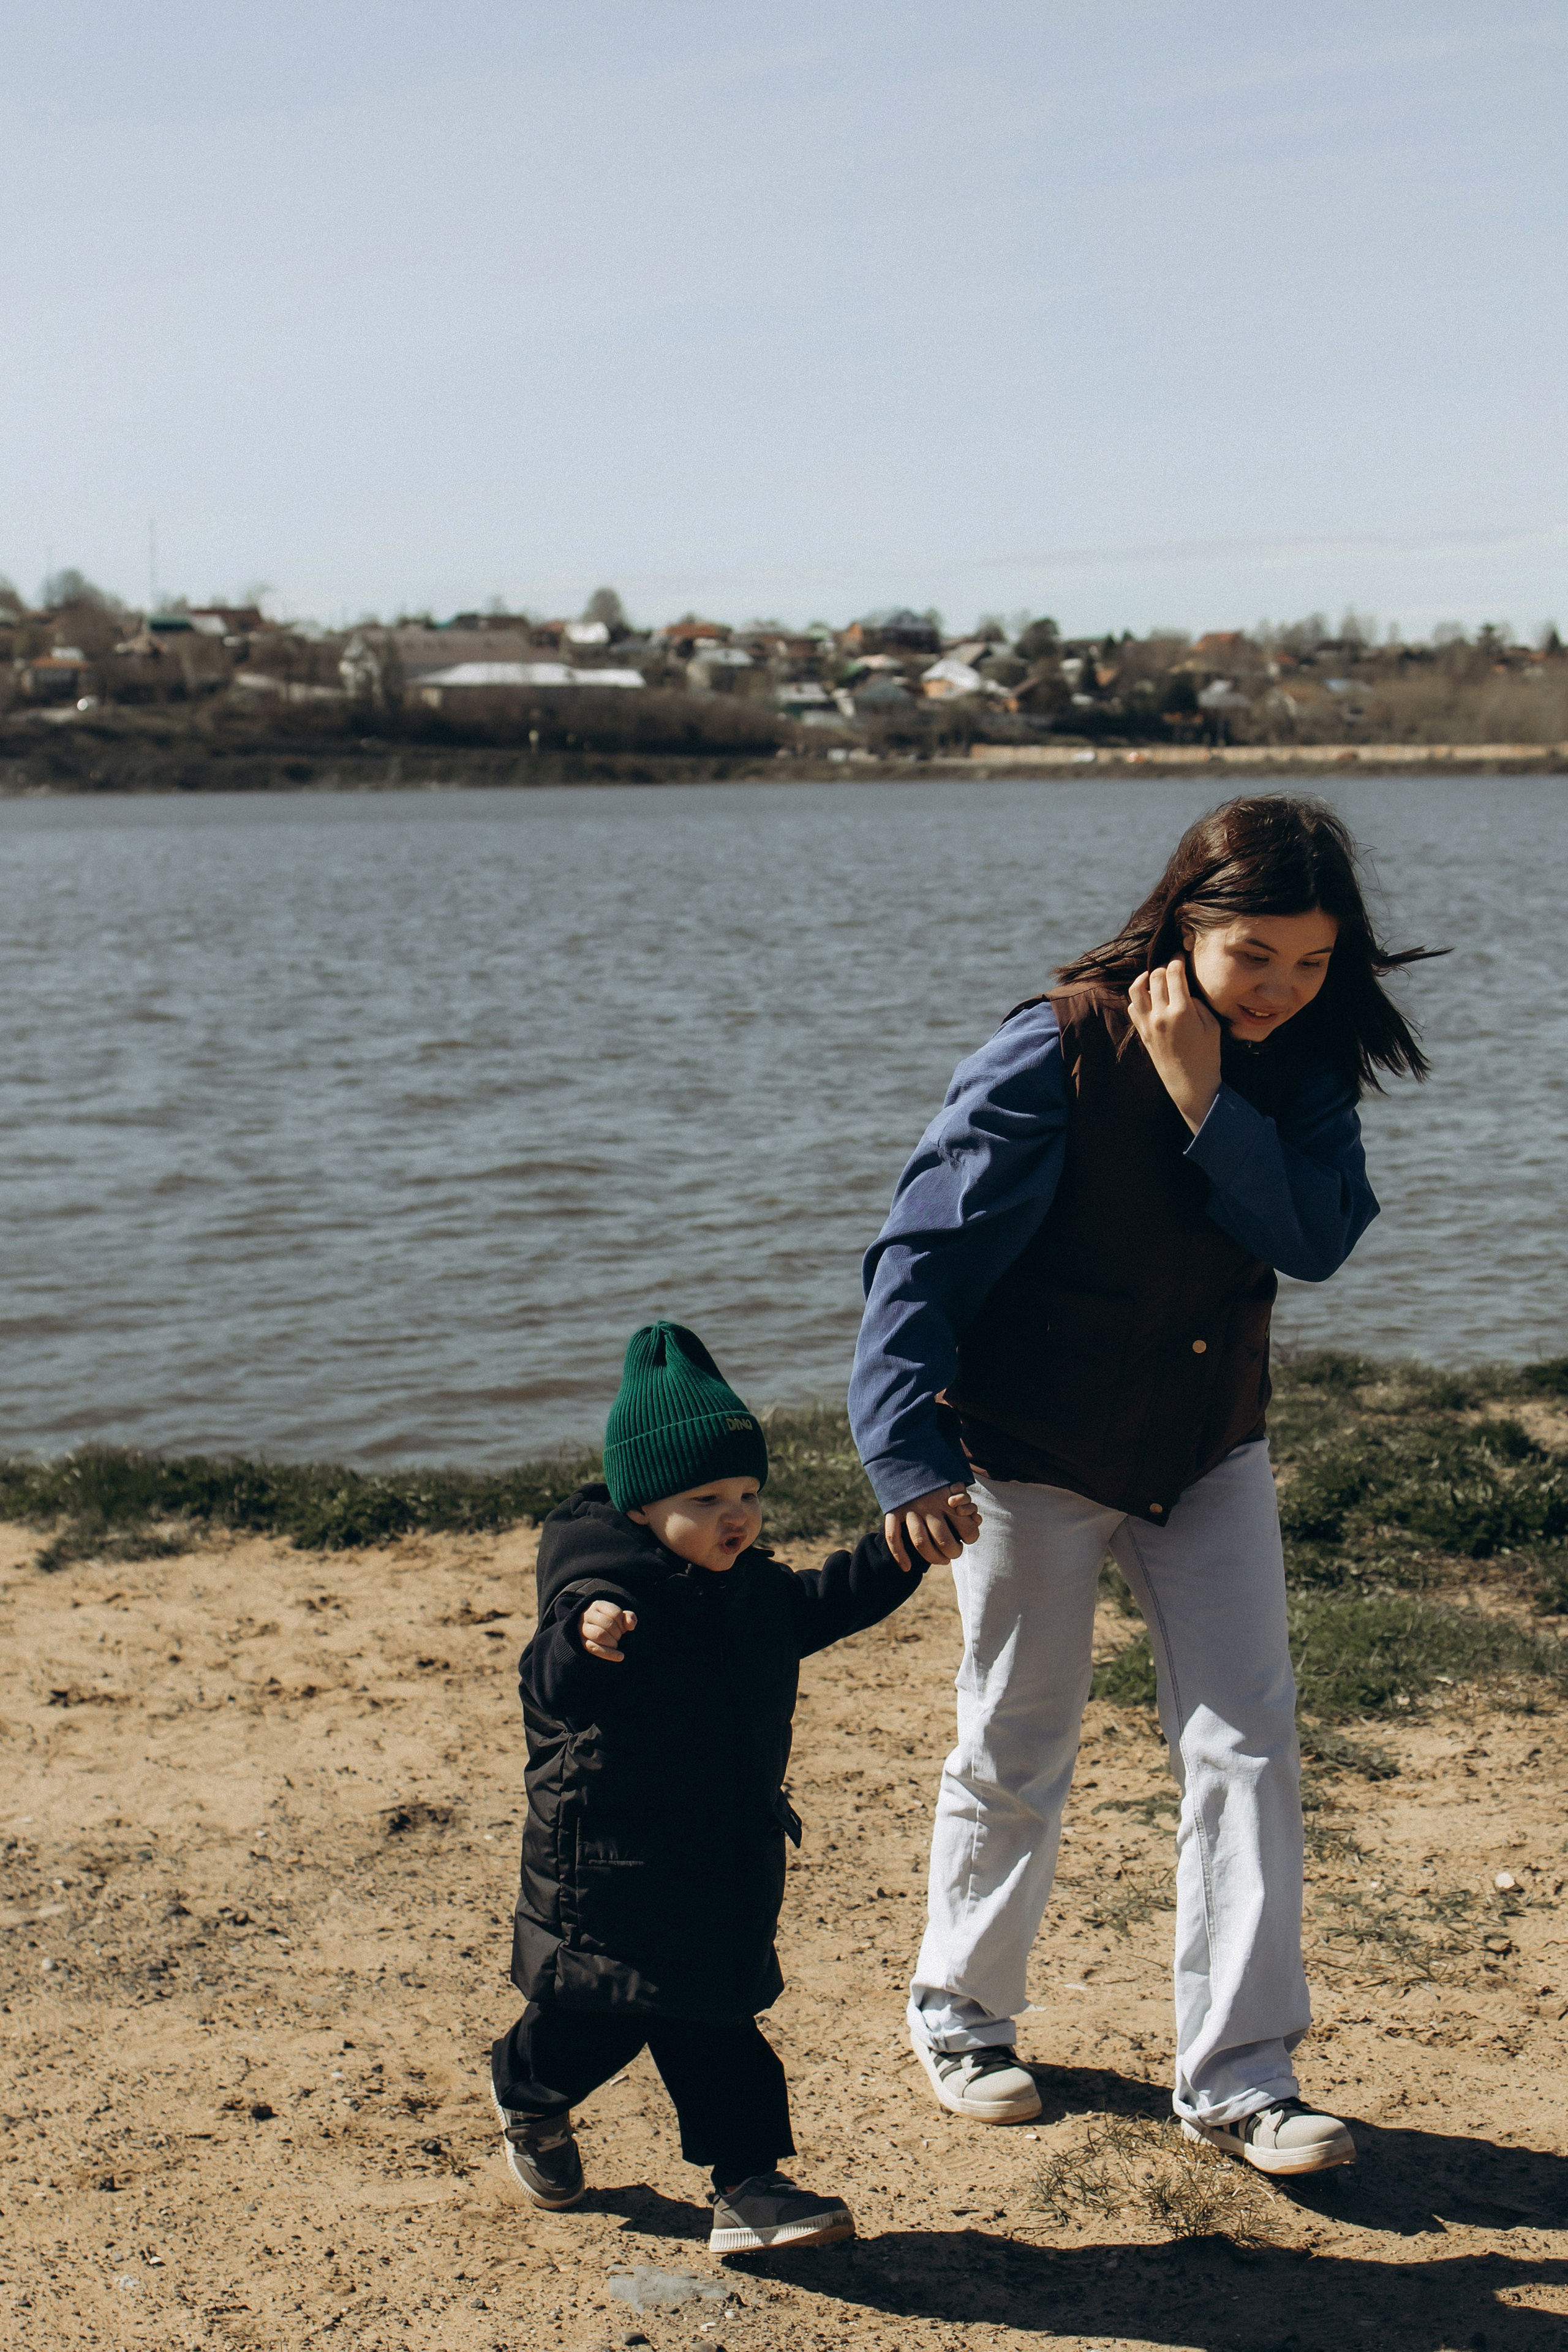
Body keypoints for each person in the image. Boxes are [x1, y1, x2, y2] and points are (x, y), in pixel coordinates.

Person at [849, 794, 1439, 2177]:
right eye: (1257, 959)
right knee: (1016, 1740)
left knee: (1247, 1745)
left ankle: (1239, 2076)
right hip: (1031, 1454)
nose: (1286, 991)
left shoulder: (1293, 1062)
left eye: (1311, 964)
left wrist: (1200, 1096)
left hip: (1207, 1449)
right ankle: (961, 2014)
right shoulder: (1047, 1048)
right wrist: (907, 1454)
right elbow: (915, 1264)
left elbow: (1311, 1239)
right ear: (1187, 924)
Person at [491, 1319, 967, 2250]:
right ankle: (526, 2093)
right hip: (609, 1872)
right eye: (705, 1498)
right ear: (640, 1506)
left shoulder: (749, 1592)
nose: (736, 1515)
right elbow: (546, 1683)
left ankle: (749, 2185)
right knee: (597, 2020)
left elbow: (827, 1600)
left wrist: (905, 1551)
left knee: (713, 2021)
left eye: (747, 1493)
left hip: (720, 1858)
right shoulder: (599, 1594)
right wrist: (583, 1641)